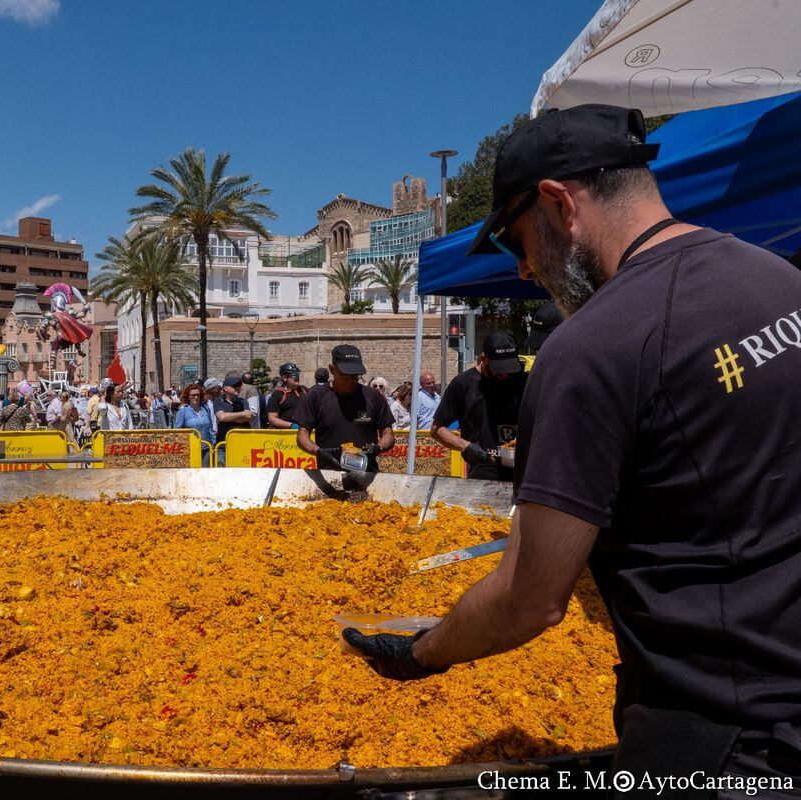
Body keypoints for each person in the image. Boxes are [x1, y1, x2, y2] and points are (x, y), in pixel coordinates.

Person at [341, 103, 801, 790]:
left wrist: (422, 652)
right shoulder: (780, 280)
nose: (524, 270)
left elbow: (532, 598)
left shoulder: (591, 348)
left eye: (518, 243)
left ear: (558, 204)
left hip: (725, 738)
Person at [429, 332, 526, 481]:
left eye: (509, 368)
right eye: (499, 368)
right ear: (483, 359)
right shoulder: (463, 384)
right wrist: (466, 446)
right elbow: (437, 430)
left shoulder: (523, 381)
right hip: (484, 471)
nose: (505, 374)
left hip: (524, 470)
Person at [293, 345, 394, 470]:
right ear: (332, 369)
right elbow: (302, 436)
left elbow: (388, 433)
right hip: (329, 471)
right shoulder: (316, 396)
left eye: (355, 375)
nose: (350, 380)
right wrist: (318, 451)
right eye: (345, 375)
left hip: (366, 471)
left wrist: (377, 448)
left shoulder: (373, 396)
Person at [213, 376, 253, 463]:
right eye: (235, 386)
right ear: (225, 388)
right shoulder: (218, 401)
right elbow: (222, 417)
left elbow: (248, 416)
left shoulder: (243, 401)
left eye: (239, 386)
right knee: (223, 471)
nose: (238, 388)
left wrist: (228, 417)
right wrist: (242, 414)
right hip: (223, 444)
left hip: (241, 443)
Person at [173, 382, 215, 448]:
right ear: (188, 396)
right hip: (191, 449)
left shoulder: (205, 409)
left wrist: (213, 443)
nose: (196, 397)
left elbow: (210, 427)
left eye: (198, 395)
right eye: (193, 395)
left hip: (207, 447)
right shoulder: (183, 411)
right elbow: (177, 431)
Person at [266, 363, 307, 429]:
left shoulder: (304, 390)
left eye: (298, 374)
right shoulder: (278, 394)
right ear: (285, 378)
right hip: (286, 434)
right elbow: (272, 418)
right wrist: (292, 426)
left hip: (305, 431)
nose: (297, 377)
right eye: (294, 375)